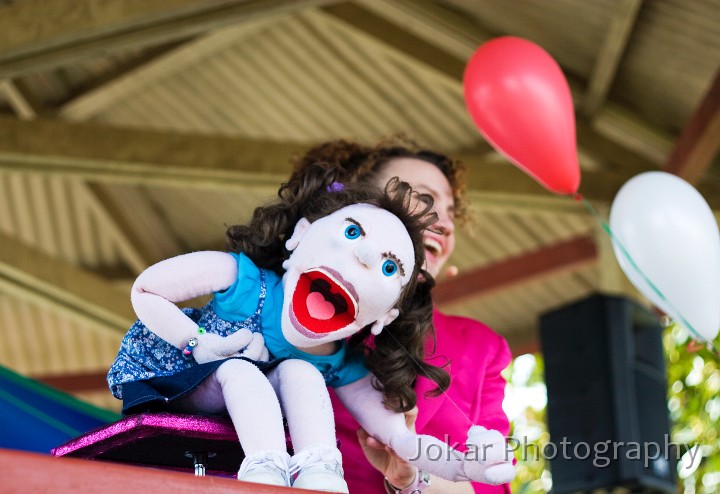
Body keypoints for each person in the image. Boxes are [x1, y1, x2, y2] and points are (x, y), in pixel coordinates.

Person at [107, 160, 513, 492]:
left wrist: (464, 466)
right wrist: (196, 341)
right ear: (303, 234)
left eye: (391, 267)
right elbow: (149, 289)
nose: (438, 218)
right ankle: (265, 472)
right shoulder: (247, 282)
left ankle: (319, 474)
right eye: (353, 231)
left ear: (388, 313)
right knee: (243, 373)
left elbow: (401, 440)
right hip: (193, 383)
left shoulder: (339, 359)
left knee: (300, 372)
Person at [290, 138, 514, 494]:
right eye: (425, 200)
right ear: (361, 204)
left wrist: (410, 481)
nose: (446, 224)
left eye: (452, 212)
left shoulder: (483, 347)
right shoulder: (297, 309)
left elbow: (493, 483)